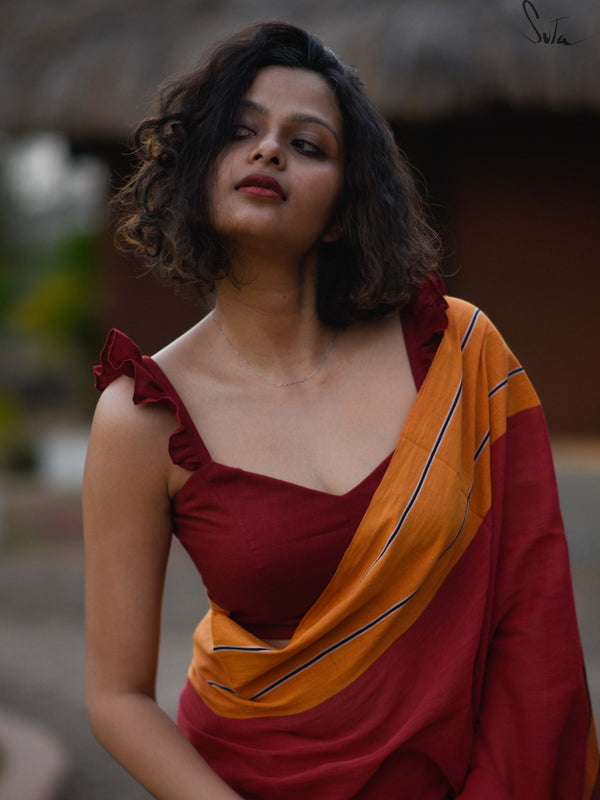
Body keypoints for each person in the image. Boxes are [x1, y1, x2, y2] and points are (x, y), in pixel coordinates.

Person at [83, 20, 599, 800]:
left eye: (308, 143)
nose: (269, 151)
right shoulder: (143, 417)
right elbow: (116, 696)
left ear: (340, 208)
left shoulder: (456, 356)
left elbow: (530, 618)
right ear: (196, 172)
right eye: (241, 131)